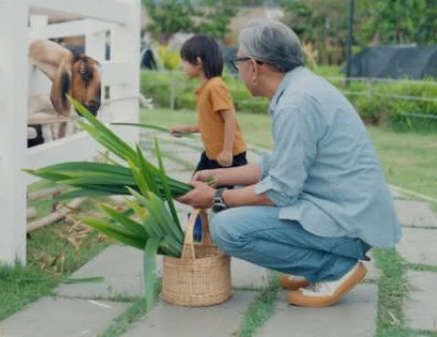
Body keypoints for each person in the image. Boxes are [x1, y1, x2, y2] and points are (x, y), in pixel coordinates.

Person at [176, 19, 401, 308]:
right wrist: (218, 176)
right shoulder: (300, 90)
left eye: (238, 62)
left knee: (227, 228)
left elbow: (281, 190)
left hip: (348, 222)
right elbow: (276, 167)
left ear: (255, 66)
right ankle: (319, 263)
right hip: (347, 212)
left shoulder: (296, 103)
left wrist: (217, 198)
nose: (238, 71)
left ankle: (334, 269)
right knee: (238, 211)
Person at [169, 35, 248, 177]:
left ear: (198, 61)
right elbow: (210, 124)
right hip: (212, 155)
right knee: (196, 188)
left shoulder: (215, 87)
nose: (182, 65)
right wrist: (185, 129)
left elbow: (230, 119)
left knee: (232, 195)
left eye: (184, 60)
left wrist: (227, 150)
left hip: (230, 157)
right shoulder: (206, 88)